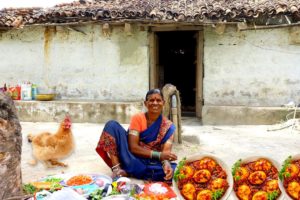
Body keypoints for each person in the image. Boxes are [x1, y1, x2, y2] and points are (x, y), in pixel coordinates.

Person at [96, 89, 178, 181]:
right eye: (151, 100)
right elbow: (133, 147)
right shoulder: (138, 118)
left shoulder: (168, 126)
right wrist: (159, 155)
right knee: (112, 125)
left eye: (158, 100)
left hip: (149, 161)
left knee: (175, 171)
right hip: (130, 156)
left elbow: (165, 154)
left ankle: (128, 171)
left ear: (163, 103)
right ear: (145, 103)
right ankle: (117, 169)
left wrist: (166, 164)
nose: (155, 103)